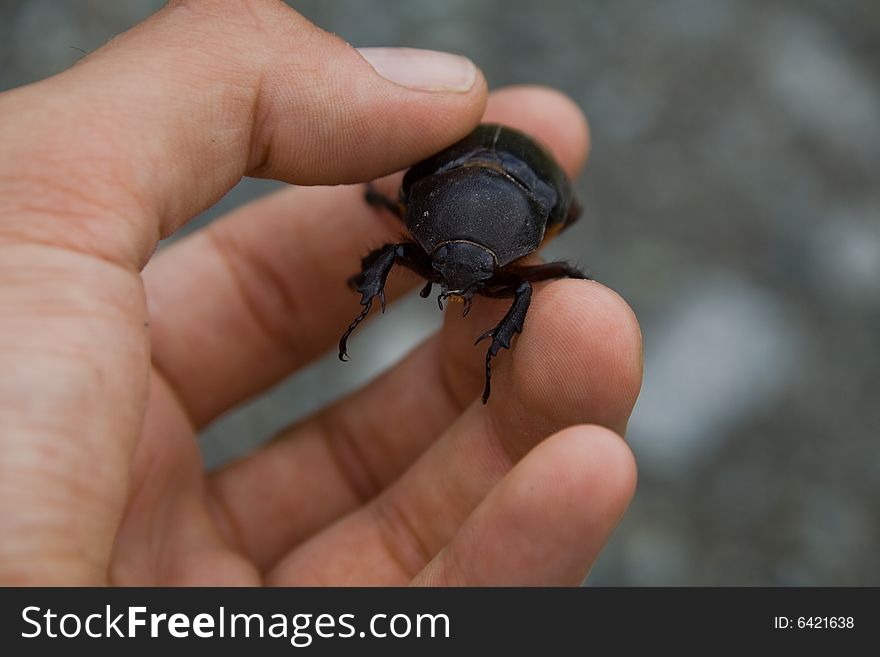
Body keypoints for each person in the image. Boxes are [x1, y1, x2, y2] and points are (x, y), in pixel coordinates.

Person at [0, 0, 641, 585]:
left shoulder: (517, 233)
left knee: (544, 294)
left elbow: (511, 256)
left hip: (513, 184)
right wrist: (370, 297)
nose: (453, 278)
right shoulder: (423, 223)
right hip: (469, 188)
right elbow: (398, 245)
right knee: (415, 255)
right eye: (447, 260)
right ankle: (375, 298)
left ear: (530, 235)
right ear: (425, 218)